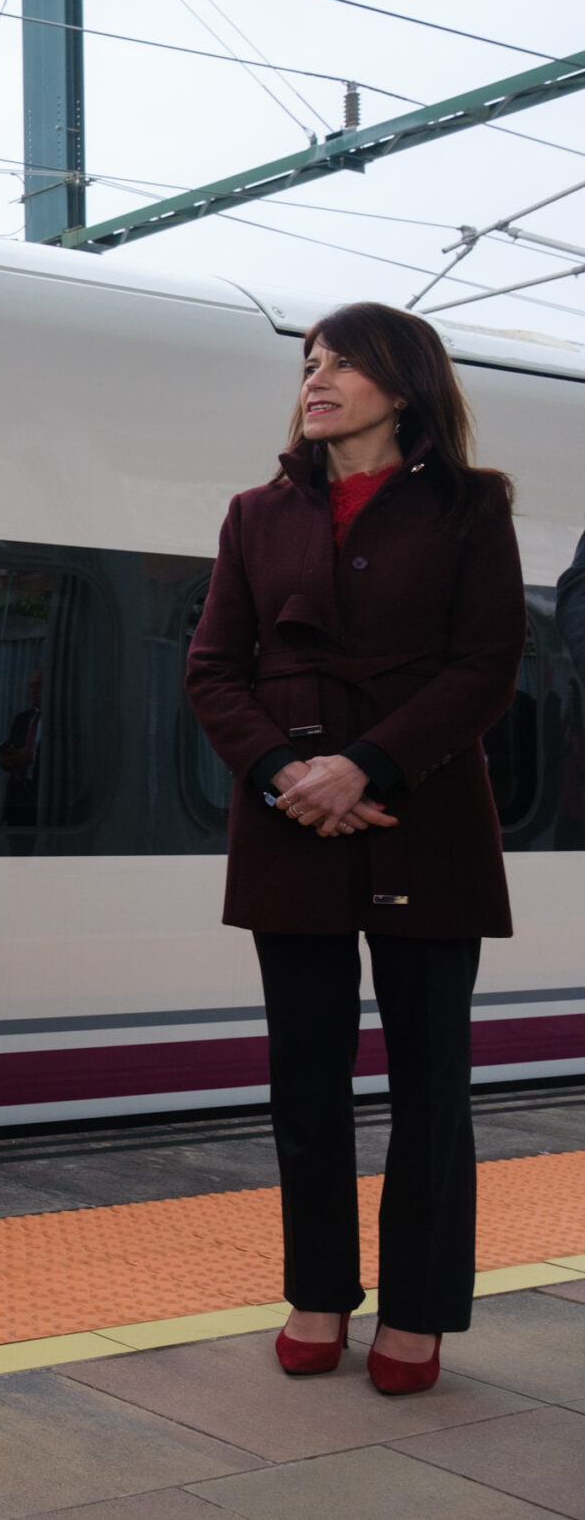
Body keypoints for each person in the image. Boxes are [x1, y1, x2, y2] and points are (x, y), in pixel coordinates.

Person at [185, 301, 523, 1398]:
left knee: (432, 1084)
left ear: (401, 381)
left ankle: (418, 1310)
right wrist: (289, 773)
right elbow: (210, 672)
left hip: (423, 819)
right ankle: (317, 1292)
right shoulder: (254, 514)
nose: (314, 379)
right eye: (308, 363)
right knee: (304, 1080)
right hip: (289, 828)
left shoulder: (472, 509)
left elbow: (484, 667)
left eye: (338, 363)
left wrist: (363, 765)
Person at [0, 669, 44, 826]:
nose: (33, 690)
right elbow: (10, 749)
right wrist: (7, 758)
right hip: (18, 799)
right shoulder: (22, 719)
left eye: (38, 685)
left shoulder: (59, 720)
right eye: (30, 686)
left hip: (43, 798)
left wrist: (33, 757)